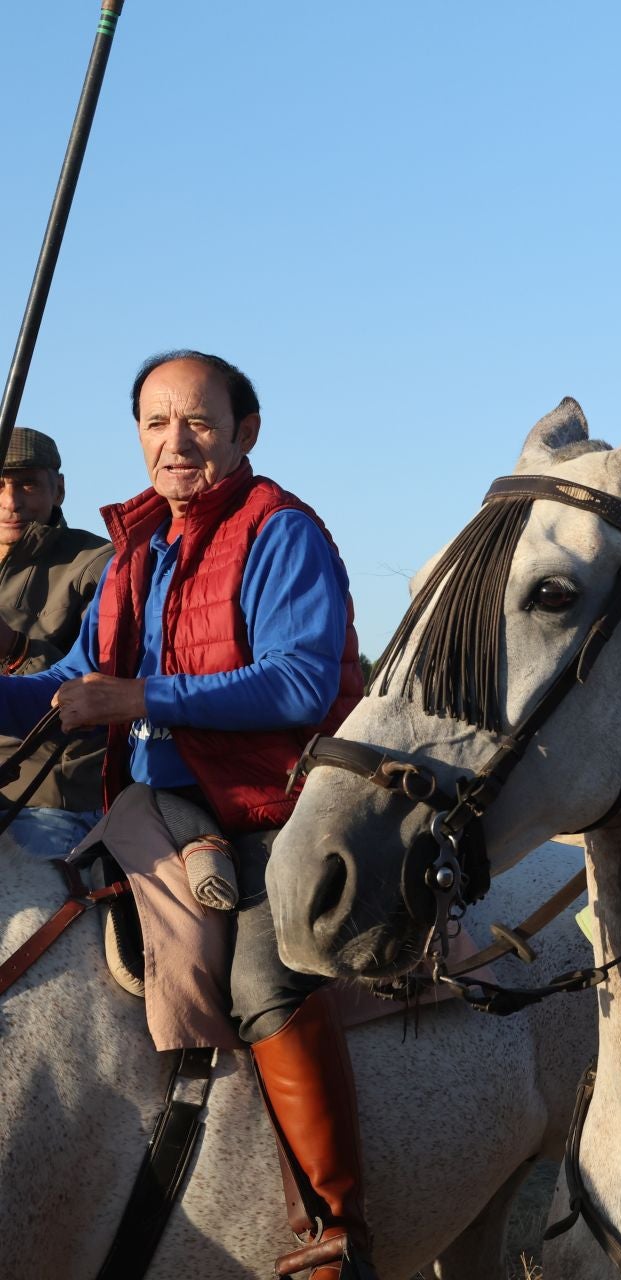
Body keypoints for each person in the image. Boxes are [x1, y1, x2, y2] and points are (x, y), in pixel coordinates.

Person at [0, 352, 375, 1280]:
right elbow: (66, 687)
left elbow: (297, 680)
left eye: (199, 423)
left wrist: (135, 699)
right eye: (156, 424)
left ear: (244, 432)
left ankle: (332, 1232)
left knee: (260, 973)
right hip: (149, 807)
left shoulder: (281, 533)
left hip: (266, 800)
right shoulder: (140, 551)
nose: (176, 444)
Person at [0, 426, 111, 854]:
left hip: (49, 797)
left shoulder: (99, 565)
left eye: (28, 483)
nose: (12, 502)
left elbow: (98, 692)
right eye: (1, 485)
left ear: (58, 489)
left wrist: (14, 648)